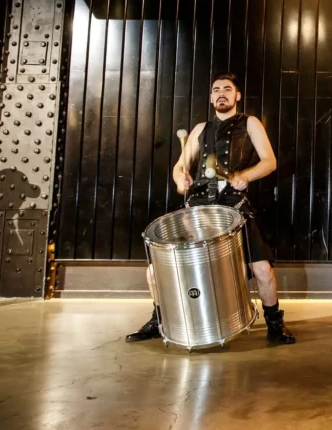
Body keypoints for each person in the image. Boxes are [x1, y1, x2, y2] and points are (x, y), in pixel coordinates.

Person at [126, 72, 295, 345]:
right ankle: (159, 320)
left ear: (237, 96)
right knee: (155, 270)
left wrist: (246, 176)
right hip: (198, 208)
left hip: (233, 207)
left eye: (227, 89)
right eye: (216, 90)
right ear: (211, 97)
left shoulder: (250, 124)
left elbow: (269, 161)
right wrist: (181, 177)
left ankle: (275, 324)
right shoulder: (199, 129)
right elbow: (180, 165)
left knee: (263, 270)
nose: (221, 94)